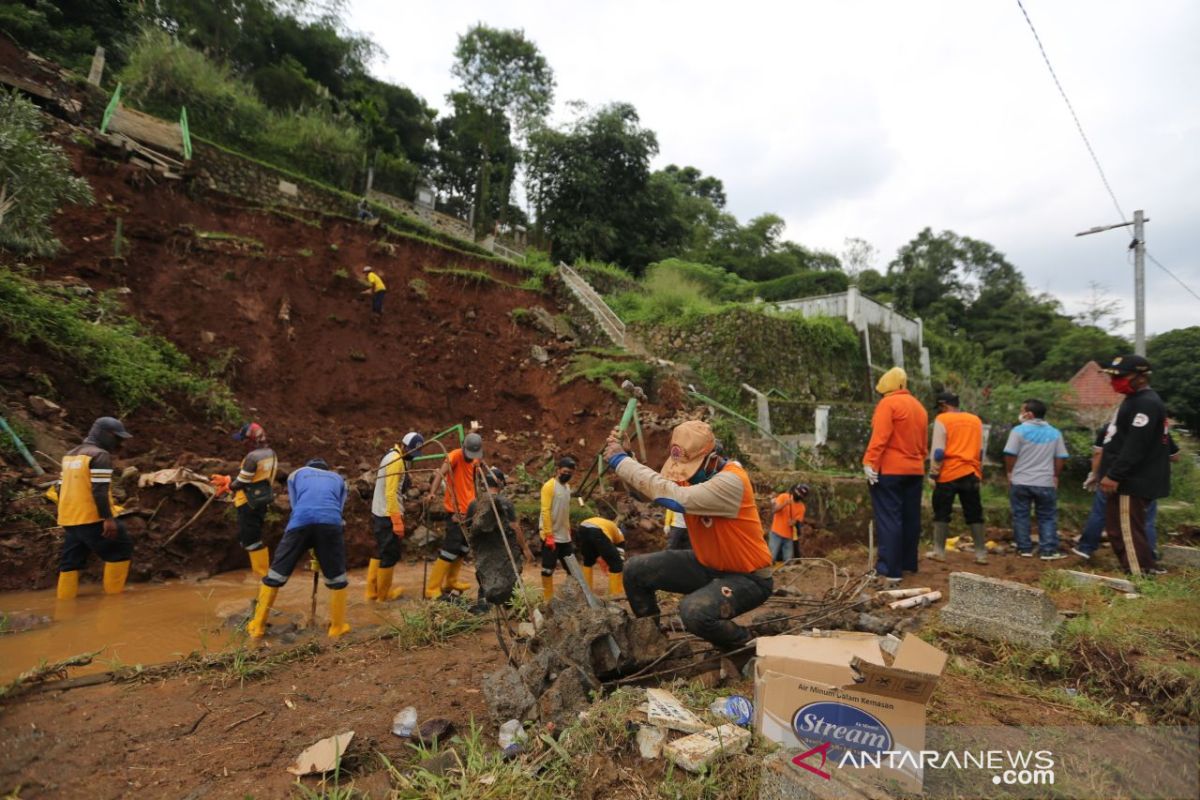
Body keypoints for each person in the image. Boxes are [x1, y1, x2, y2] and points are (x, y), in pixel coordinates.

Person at [605, 420, 773, 652]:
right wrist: (628, 456)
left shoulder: (732, 481)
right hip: (708, 564)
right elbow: (647, 494)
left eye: (691, 468)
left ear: (712, 458)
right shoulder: (695, 475)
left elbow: (676, 497)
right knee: (635, 570)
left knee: (694, 612)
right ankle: (651, 640)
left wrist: (620, 461)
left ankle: (746, 643)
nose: (686, 475)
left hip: (748, 577)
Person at [247, 458, 351, 638]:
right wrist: (320, 549)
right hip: (330, 524)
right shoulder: (339, 479)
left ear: (308, 467)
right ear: (327, 469)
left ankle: (258, 626)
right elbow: (338, 510)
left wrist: (307, 539)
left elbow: (295, 506)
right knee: (337, 577)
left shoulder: (296, 474)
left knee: (276, 574)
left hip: (300, 521)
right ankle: (337, 628)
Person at [1097, 354, 1171, 576]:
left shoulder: (1145, 403)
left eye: (1121, 376)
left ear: (1141, 377)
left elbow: (1135, 445)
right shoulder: (1134, 400)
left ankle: (1140, 574)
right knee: (1118, 528)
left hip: (1132, 480)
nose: (1114, 381)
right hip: (1128, 478)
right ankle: (1141, 567)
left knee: (1126, 529)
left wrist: (1115, 475)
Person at [54, 417, 134, 599]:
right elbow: (99, 490)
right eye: (117, 438)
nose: (119, 443)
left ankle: (64, 603)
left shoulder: (70, 454)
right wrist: (108, 519)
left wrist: (67, 512)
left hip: (70, 519)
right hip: (92, 518)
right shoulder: (99, 455)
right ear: (105, 434)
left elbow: (59, 486)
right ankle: (114, 602)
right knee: (121, 550)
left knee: (70, 562)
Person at [862, 367, 928, 582]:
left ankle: (890, 569)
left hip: (890, 470)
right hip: (915, 470)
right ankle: (909, 563)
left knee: (889, 518)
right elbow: (923, 444)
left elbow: (880, 437)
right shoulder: (920, 408)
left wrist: (869, 462)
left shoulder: (888, 404)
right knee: (911, 517)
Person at [1003, 399, 1069, 560]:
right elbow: (1060, 457)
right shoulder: (1055, 433)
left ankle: (1024, 549)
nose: (1020, 413)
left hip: (1020, 481)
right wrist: (1055, 476)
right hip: (1045, 482)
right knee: (1047, 516)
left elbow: (1010, 454)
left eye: (1022, 410)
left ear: (1029, 414)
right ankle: (1048, 550)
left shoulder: (1018, 431)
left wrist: (1010, 472)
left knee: (1021, 515)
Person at [210, 422, 277, 578]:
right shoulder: (271, 453)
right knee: (251, 538)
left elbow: (241, 482)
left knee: (252, 541)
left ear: (250, 440)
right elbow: (255, 478)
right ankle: (263, 579)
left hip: (248, 503)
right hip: (262, 501)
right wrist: (229, 480)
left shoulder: (252, 457)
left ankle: (263, 580)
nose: (242, 444)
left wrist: (228, 485)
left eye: (243, 440)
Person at [928, 392, 987, 564]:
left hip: (948, 473)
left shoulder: (943, 419)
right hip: (971, 472)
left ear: (944, 406)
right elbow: (980, 451)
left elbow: (938, 452)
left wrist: (933, 473)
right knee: (975, 512)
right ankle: (981, 553)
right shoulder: (975, 420)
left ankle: (939, 551)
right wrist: (979, 472)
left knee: (942, 511)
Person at [366, 431, 424, 602]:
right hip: (387, 513)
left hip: (380, 511)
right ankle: (383, 597)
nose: (412, 456)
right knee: (389, 555)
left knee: (381, 551)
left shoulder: (393, 455)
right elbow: (390, 493)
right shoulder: (396, 461)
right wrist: (396, 520)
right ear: (404, 446)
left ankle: (372, 592)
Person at [425, 431, 483, 598]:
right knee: (450, 548)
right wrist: (432, 493)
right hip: (455, 512)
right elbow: (439, 474)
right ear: (463, 447)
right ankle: (432, 588)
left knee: (463, 548)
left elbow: (474, 480)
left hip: (470, 511)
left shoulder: (475, 459)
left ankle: (451, 581)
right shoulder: (455, 456)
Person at [466, 467, 533, 611]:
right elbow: (515, 527)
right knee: (511, 577)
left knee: (485, 577)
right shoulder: (504, 502)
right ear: (500, 482)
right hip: (503, 550)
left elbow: (468, 527)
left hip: (483, 551)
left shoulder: (474, 503)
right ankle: (512, 606)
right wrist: (525, 548)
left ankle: (483, 605)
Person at [538, 456, 576, 600]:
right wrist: (548, 535)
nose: (567, 474)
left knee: (572, 569)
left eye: (570, 473)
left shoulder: (567, 488)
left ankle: (572, 596)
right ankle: (547, 599)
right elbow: (545, 510)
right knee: (548, 569)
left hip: (564, 535)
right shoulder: (549, 486)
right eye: (565, 471)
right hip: (550, 535)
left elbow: (565, 510)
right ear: (558, 470)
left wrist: (568, 529)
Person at [576, 515, 626, 596]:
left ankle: (586, 591)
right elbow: (620, 556)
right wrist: (618, 565)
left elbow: (600, 550)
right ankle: (616, 593)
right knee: (617, 564)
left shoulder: (609, 528)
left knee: (588, 560)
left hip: (582, 527)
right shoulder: (620, 538)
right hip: (597, 530)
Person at [768, 484, 809, 564]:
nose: (798, 495)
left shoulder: (801, 507)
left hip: (789, 537)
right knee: (771, 558)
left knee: (788, 561)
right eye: (798, 492)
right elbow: (774, 510)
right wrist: (785, 504)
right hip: (776, 533)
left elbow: (798, 521)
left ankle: (786, 575)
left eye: (800, 495)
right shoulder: (783, 497)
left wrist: (794, 522)